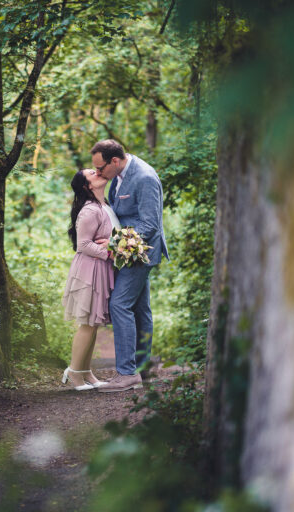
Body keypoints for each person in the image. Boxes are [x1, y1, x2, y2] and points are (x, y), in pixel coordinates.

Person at [91, 139, 169, 393]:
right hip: (129, 251)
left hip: (141, 252)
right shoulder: (119, 172)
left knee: (119, 304)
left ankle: (127, 373)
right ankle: (143, 367)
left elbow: (150, 226)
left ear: (115, 160)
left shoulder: (144, 177)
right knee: (139, 308)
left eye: (100, 168)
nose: (98, 173)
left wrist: (114, 244)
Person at [61, 168, 119, 390]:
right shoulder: (89, 211)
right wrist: (110, 252)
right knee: (87, 323)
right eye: (93, 173)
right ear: (87, 186)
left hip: (100, 268)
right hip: (89, 270)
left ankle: (86, 371)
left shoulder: (104, 206)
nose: (99, 172)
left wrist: (115, 245)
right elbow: (83, 245)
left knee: (93, 323)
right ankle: (74, 372)